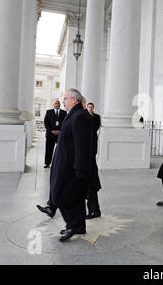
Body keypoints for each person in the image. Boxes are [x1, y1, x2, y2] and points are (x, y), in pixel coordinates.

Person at [48, 89, 93, 242]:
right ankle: (79, 226)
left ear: (74, 100)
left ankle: (72, 225)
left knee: (61, 194)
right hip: (67, 163)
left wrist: (79, 168)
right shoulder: (74, 114)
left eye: (66, 98)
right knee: (76, 197)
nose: (63, 101)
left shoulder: (80, 116)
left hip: (71, 166)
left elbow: (82, 146)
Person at [85, 102, 102, 219]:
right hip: (85, 155)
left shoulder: (94, 117)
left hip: (87, 155)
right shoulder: (82, 116)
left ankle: (94, 210)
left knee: (90, 184)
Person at [43, 100, 67, 168]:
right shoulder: (48, 112)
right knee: (49, 149)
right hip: (50, 134)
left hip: (60, 134)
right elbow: (46, 122)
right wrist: (51, 130)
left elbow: (65, 123)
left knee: (61, 149)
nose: (57, 104)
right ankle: (47, 163)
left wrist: (59, 130)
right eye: (56, 103)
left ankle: (60, 163)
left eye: (58, 103)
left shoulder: (64, 112)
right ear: (53, 104)